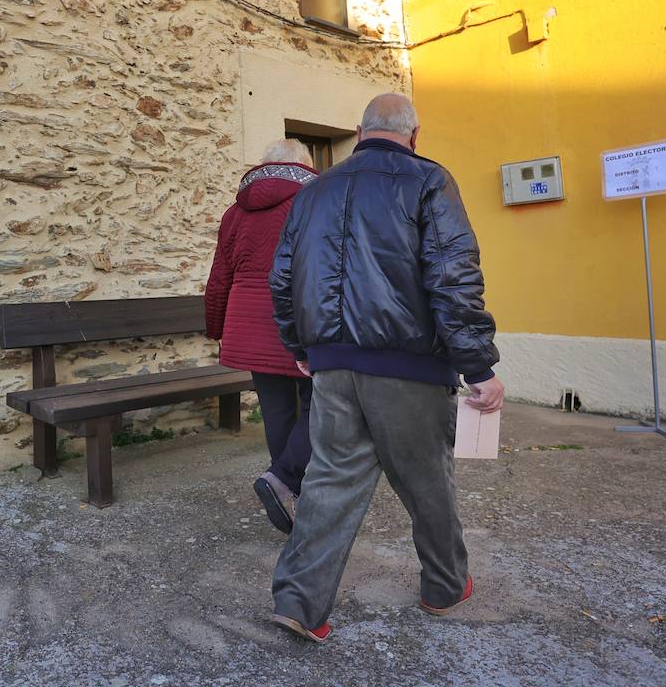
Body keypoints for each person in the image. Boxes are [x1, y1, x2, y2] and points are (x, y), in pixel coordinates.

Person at [267, 93, 504, 644]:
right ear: (415, 135)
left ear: (358, 131)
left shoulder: (314, 190)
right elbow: (453, 276)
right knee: (428, 484)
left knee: (328, 483)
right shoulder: (427, 180)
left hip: (332, 367)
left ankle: (300, 605)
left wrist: (300, 345)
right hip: (410, 368)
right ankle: (444, 589)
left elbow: (282, 279)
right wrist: (479, 365)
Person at [205, 138, 318, 533]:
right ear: (305, 166)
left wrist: (217, 327)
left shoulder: (235, 211)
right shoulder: (311, 203)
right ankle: (285, 480)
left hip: (246, 324)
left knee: (276, 410)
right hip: (299, 319)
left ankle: (288, 493)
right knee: (319, 406)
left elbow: (219, 277)